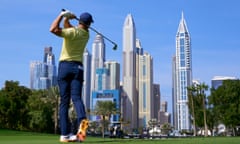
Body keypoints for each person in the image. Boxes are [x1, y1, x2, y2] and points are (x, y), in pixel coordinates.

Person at [50, 10, 94, 142]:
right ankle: (82, 122)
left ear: (80, 21)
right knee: (76, 98)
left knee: (64, 102)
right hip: (78, 68)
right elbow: (69, 29)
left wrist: (62, 15)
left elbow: (52, 29)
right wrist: (68, 19)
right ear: (88, 24)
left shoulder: (72, 33)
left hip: (65, 67)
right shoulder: (86, 34)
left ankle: (64, 134)